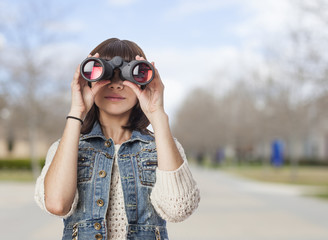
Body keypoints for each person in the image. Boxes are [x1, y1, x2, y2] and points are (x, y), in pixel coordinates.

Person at [34, 38, 200, 240]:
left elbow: (178, 208)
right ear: (88, 79)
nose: (116, 85)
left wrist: (157, 115)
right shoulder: (66, 148)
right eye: (106, 74)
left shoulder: (163, 148)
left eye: (128, 75)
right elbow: (57, 204)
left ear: (145, 80)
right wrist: (77, 111)